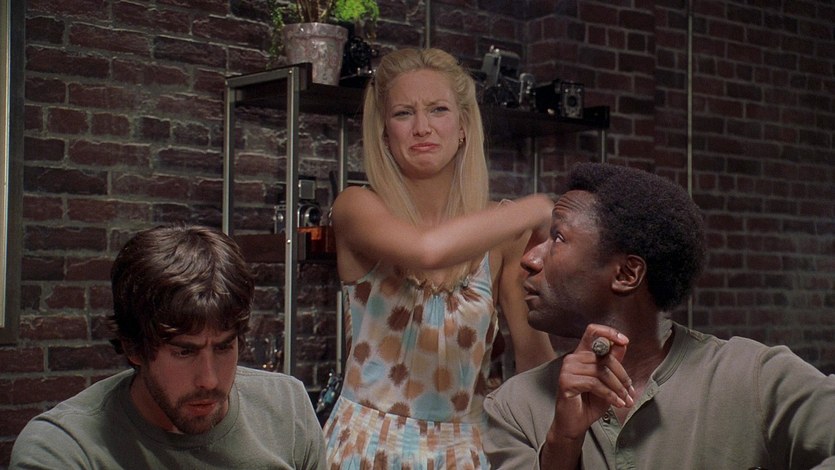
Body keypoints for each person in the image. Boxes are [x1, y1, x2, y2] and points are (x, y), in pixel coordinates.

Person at [483, 162, 835, 469]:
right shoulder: (514, 408)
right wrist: (562, 441)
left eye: (557, 237)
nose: (529, 259)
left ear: (626, 274)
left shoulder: (752, 379)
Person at [323, 47, 556, 468]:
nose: (422, 127)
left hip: (466, 451)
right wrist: (537, 207)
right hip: (366, 450)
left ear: (464, 126)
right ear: (384, 133)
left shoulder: (502, 236)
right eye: (403, 113)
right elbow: (427, 251)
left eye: (438, 109)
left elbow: (533, 361)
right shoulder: (356, 207)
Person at [10, 224, 327, 469]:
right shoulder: (64, 447)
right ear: (134, 348)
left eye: (223, 347)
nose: (209, 380)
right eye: (184, 352)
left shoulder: (287, 408)